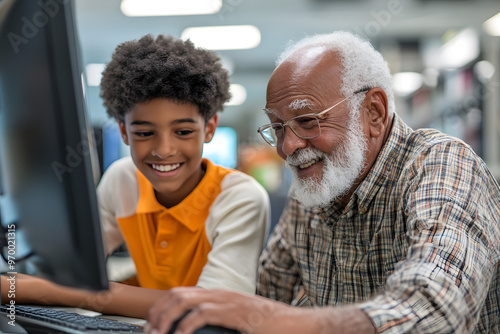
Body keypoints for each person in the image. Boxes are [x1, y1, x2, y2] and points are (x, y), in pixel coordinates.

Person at [146, 31, 500, 334]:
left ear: (373, 112)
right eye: (279, 127)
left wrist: (286, 322)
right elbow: (266, 293)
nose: (288, 147)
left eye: (307, 120)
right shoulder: (316, 191)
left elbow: (435, 310)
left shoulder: (441, 163)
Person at [0, 35, 270, 319]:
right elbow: (71, 269)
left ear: (209, 128)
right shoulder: (122, 180)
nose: (164, 150)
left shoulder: (240, 198)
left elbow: (210, 309)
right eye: (144, 133)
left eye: (183, 132)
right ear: (124, 132)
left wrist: (40, 290)